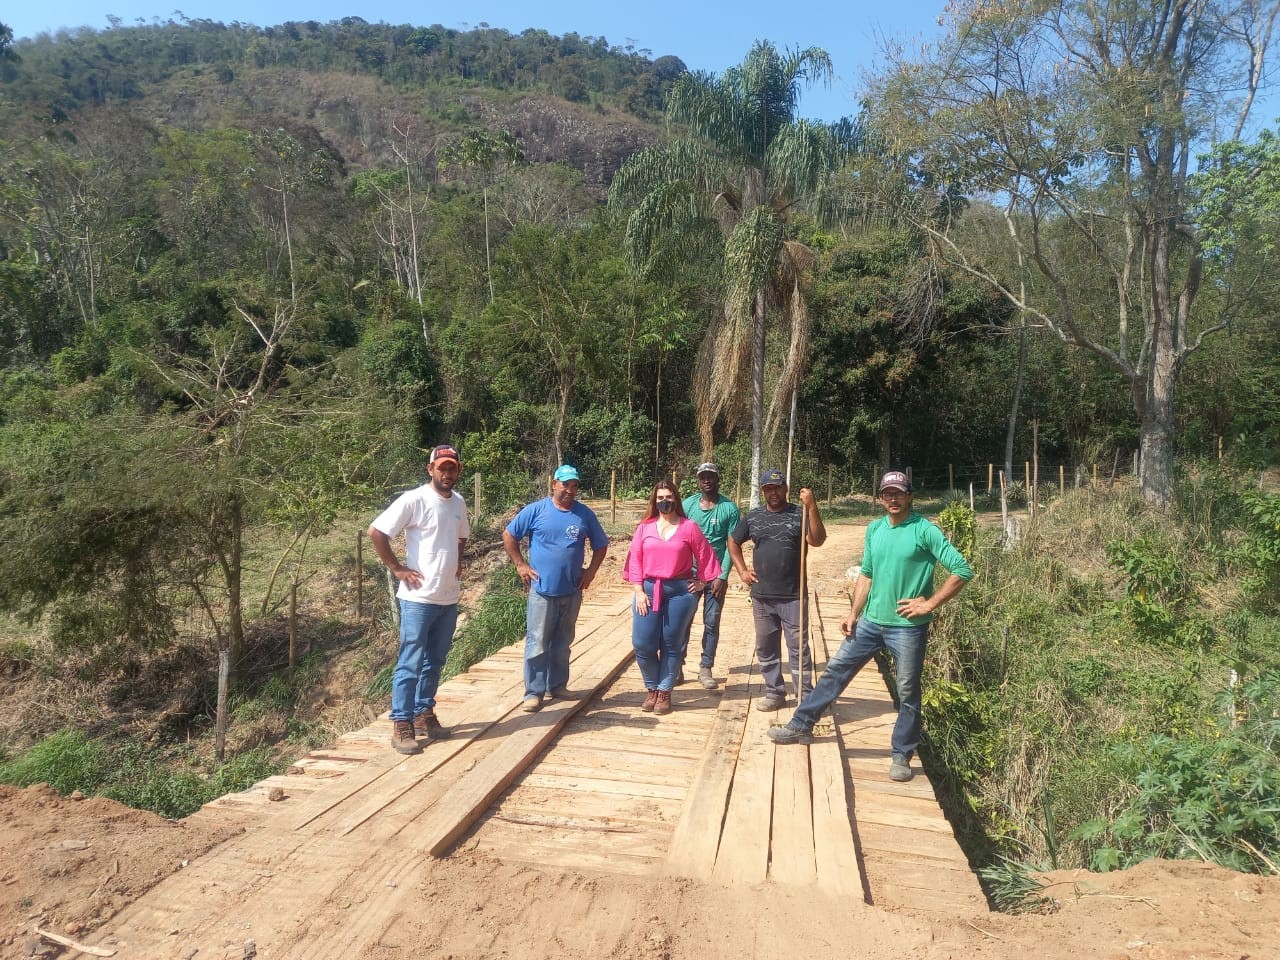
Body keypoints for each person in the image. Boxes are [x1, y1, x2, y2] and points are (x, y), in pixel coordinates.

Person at [767, 470, 974, 783]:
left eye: (899, 493)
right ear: (880, 498)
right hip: (870, 623)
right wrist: (853, 613)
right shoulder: (875, 529)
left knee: (907, 691)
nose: (893, 498)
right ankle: (801, 724)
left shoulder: (924, 530)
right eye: (888, 493)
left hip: (908, 627)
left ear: (910, 496)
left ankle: (901, 754)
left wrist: (928, 604)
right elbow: (866, 573)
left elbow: (962, 569)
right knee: (836, 670)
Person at [368, 443, 471, 755]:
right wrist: (397, 568)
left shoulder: (459, 503)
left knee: (435, 661)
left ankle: (424, 713)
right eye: (442, 467)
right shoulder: (414, 499)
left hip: (447, 597)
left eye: (452, 467)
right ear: (430, 470)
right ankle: (401, 722)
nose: (447, 472)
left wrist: (457, 563)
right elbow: (377, 532)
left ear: (458, 471)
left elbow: (461, 536)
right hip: (418, 598)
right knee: (410, 662)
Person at [503, 465, 609, 712]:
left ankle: (558, 686)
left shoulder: (584, 515)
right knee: (537, 642)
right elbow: (509, 535)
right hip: (542, 590)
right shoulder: (536, 510)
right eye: (565, 485)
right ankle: (534, 692)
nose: (570, 490)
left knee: (563, 641)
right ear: (554, 484)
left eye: (574, 486)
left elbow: (600, 545)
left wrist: (591, 571)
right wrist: (520, 564)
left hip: (572, 590)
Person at [728, 468, 827, 712]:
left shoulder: (799, 512)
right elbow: (733, 541)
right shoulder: (753, 517)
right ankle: (774, 692)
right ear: (763, 492)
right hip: (762, 596)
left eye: (777, 487)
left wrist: (812, 506)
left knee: (798, 648)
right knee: (765, 646)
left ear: (786, 488)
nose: (773, 492)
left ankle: (805, 696)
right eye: (768, 489)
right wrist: (742, 570)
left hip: (793, 595)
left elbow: (817, 540)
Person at [624, 479, 722, 715]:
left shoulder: (689, 527)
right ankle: (651, 687)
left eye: (668, 497)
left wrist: (702, 582)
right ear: (654, 501)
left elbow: (706, 555)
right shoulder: (645, 528)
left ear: (676, 499)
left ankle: (664, 691)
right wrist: (638, 590)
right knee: (643, 643)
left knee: (671, 643)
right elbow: (635, 559)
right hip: (648, 590)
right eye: (660, 498)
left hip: (680, 592)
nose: (664, 501)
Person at [681, 462, 740, 690]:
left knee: (712, 621)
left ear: (717, 479)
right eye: (703, 476)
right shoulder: (687, 506)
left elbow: (732, 544)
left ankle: (706, 667)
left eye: (711, 476)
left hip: (715, 574)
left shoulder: (729, 509)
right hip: (690, 573)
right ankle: (677, 665)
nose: (707, 480)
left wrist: (722, 576)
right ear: (698, 479)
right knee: (683, 619)